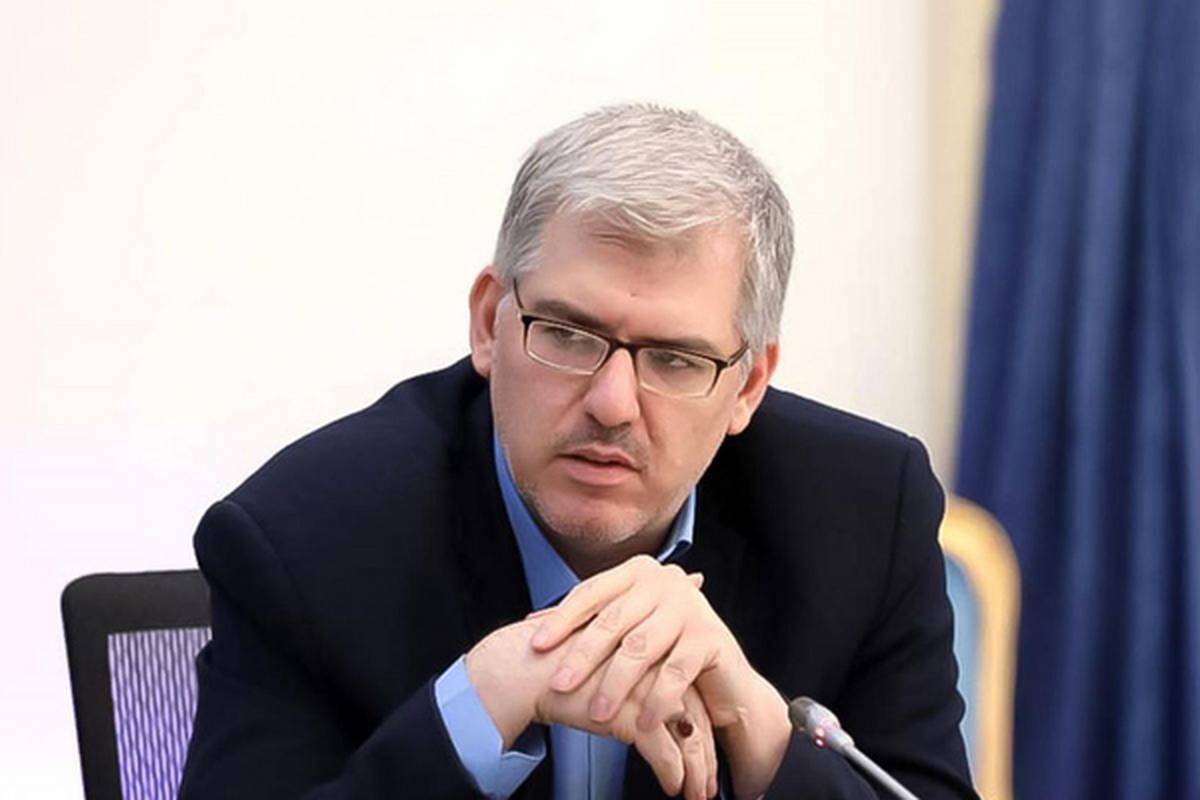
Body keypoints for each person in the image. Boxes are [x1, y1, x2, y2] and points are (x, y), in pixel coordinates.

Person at [179, 104, 977, 799]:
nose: (612, 404)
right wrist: (485, 700)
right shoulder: (305, 537)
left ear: (748, 385)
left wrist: (762, 733)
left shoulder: (863, 514)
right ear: (489, 322)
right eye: (567, 334)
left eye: (675, 359)